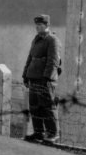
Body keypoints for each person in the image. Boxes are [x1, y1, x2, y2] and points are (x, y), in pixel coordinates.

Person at [22, 14, 62, 144]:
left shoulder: (52, 40)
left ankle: (53, 134)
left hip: (45, 80)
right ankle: (38, 132)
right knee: (35, 107)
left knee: (48, 107)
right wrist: (25, 75)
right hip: (33, 78)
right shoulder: (36, 39)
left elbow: (53, 61)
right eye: (36, 25)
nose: (37, 27)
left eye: (40, 25)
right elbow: (30, 58)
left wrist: (46, 78)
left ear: (47, 25)